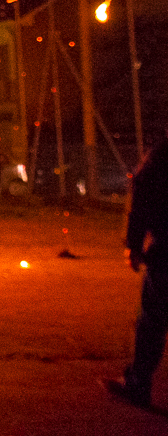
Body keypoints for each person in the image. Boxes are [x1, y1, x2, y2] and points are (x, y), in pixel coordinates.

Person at [106, 128, 168, 408]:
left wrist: (133, 244)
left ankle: (138, 383)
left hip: (166, 252)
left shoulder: (161, 157)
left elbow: (141, 198)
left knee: (152, 321)